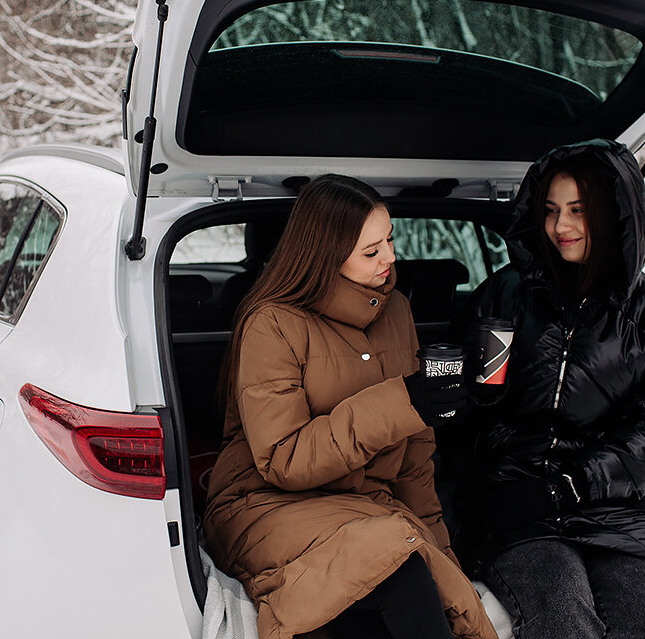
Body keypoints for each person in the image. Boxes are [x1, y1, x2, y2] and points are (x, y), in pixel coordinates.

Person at [203, 174, 497, 639]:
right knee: (393, 556)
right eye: (371, 251)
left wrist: (445, 556)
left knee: (410, 562)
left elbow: (415, 461)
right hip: (263, 503)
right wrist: (403, 401)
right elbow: (283, 459)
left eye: (390, 241)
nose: (391, 258)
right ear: (326, 257)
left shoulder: (396, 311)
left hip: (366, 508)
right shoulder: (272, 323)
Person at [453, 139, 645, 639]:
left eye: (578, 210)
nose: (560, 227)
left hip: (626, 508)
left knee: (641, 626)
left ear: (615, 214)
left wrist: (571, 486)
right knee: (562, 621)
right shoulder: (504, 294)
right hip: (520, 503)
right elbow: (475, 411)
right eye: (550, 211)